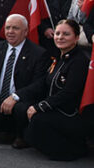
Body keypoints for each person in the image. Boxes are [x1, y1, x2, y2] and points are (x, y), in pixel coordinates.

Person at [13, 19, 90, 160]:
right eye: (58, 33)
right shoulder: (60, 56)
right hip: (54, 108)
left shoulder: (79, 61)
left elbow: (69, 93)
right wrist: (17, 96)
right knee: (20, 108)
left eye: (66, 34)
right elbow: (43, 82)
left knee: (37, 122)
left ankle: (74, 150)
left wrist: (39, 107)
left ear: (77, 38)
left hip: (69, 113)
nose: (60, 37)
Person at [0, 14, 48, 146]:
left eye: (15, 28)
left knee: (20, 109)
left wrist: (16, 96)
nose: (10, 32)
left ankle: (21, 135)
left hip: (22, 100)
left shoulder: (38, 53)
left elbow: (39, 84)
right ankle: (7, 129)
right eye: (8, 28)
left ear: (25, 31)